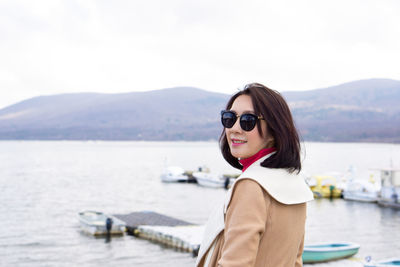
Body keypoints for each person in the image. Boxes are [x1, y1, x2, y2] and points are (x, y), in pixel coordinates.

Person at [196, 83, 314, 267]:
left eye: (248, 120)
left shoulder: (251, 185)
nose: (234, 128)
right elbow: (296, 260)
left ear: (274, 130)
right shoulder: (294, 181)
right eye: (229, 118)